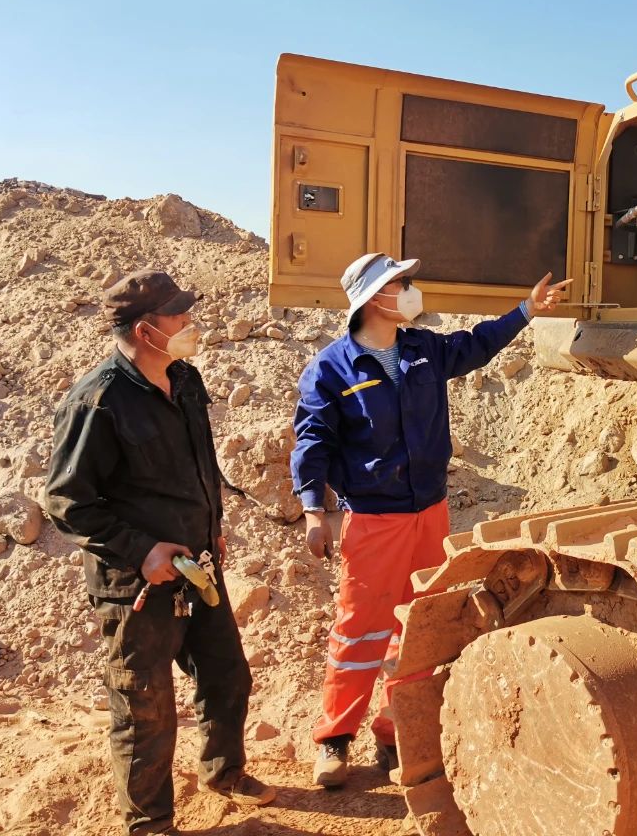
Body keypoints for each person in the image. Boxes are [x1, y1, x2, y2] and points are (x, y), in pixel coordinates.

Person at [292, 252, 571, 787]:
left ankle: (396, 730)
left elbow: (478, 344)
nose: (411, 291)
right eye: (401, 284)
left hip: (429, 513)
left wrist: (527, 310)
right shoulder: (331, 369)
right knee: (360, 632)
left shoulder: (424, 349)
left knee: (418, 627)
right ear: (373, 298)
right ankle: (333, 740)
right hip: (373, 519)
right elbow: (313, 441)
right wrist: (312, 509)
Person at [45, 269, 275, 836]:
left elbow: (200, 462)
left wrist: (212, 527)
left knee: (226, 675)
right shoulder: (97, 401)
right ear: (146, 331)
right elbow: (67, 502)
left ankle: (224, 772)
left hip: (198, 566)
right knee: (144, 707)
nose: (190, 323)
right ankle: (149, 823)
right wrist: (141, 551)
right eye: (179, 315)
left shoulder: (185, 379)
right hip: (138, 584)